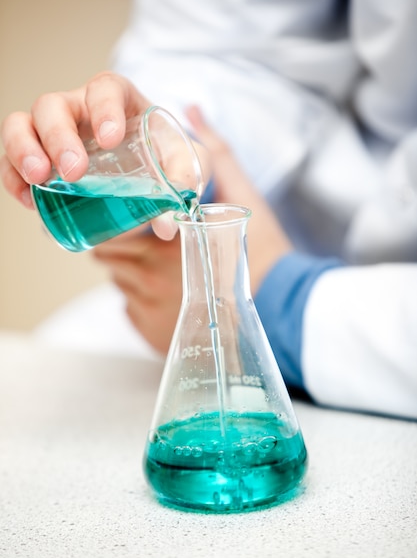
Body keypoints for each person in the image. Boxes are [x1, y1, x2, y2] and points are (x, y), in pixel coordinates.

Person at [1, 73, 416, 422]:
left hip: (323, 300)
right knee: (61, 350)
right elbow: (217, 47)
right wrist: (169, 162)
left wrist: (280, 299)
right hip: (249, 252)